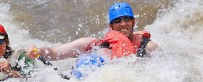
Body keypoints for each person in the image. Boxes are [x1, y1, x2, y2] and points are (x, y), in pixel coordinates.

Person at [27, 2, 160, 61]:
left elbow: (167, 74)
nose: (123, 24)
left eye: (127, 19)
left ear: (133, 22)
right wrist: (38, 51)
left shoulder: (148, 47)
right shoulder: (95, 45)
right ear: (111, 26)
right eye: (118, 21)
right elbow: (54, 53)